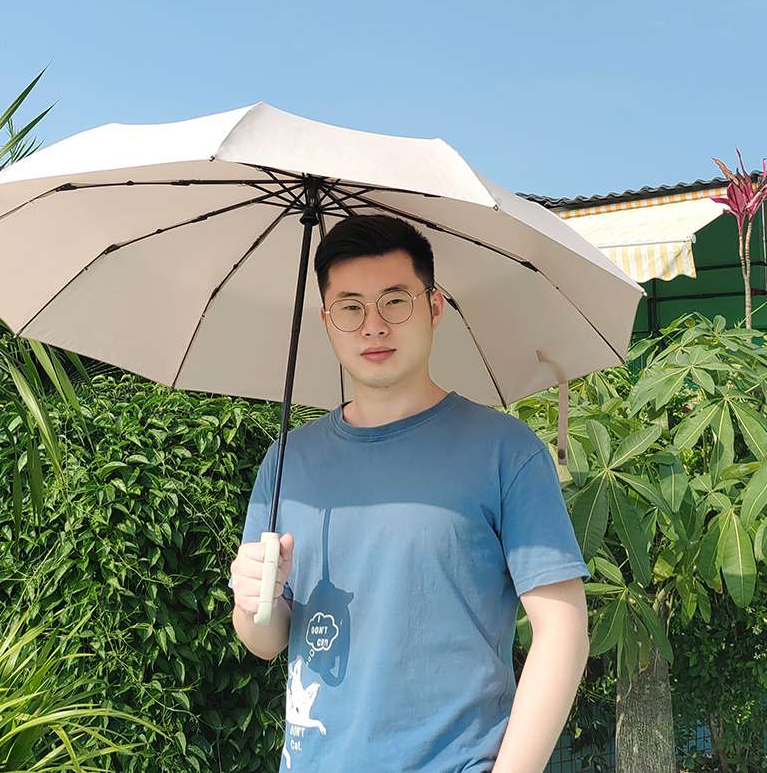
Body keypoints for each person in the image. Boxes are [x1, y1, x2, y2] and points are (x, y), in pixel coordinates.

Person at [227, 213, 590, 773]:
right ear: (326, 320)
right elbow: (266, 641)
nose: (373, 326)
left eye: (395, 301)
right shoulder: (287, 461)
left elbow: (563, 628)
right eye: (350, 307)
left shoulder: (505, 452)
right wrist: (257, 599)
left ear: (434, 307)